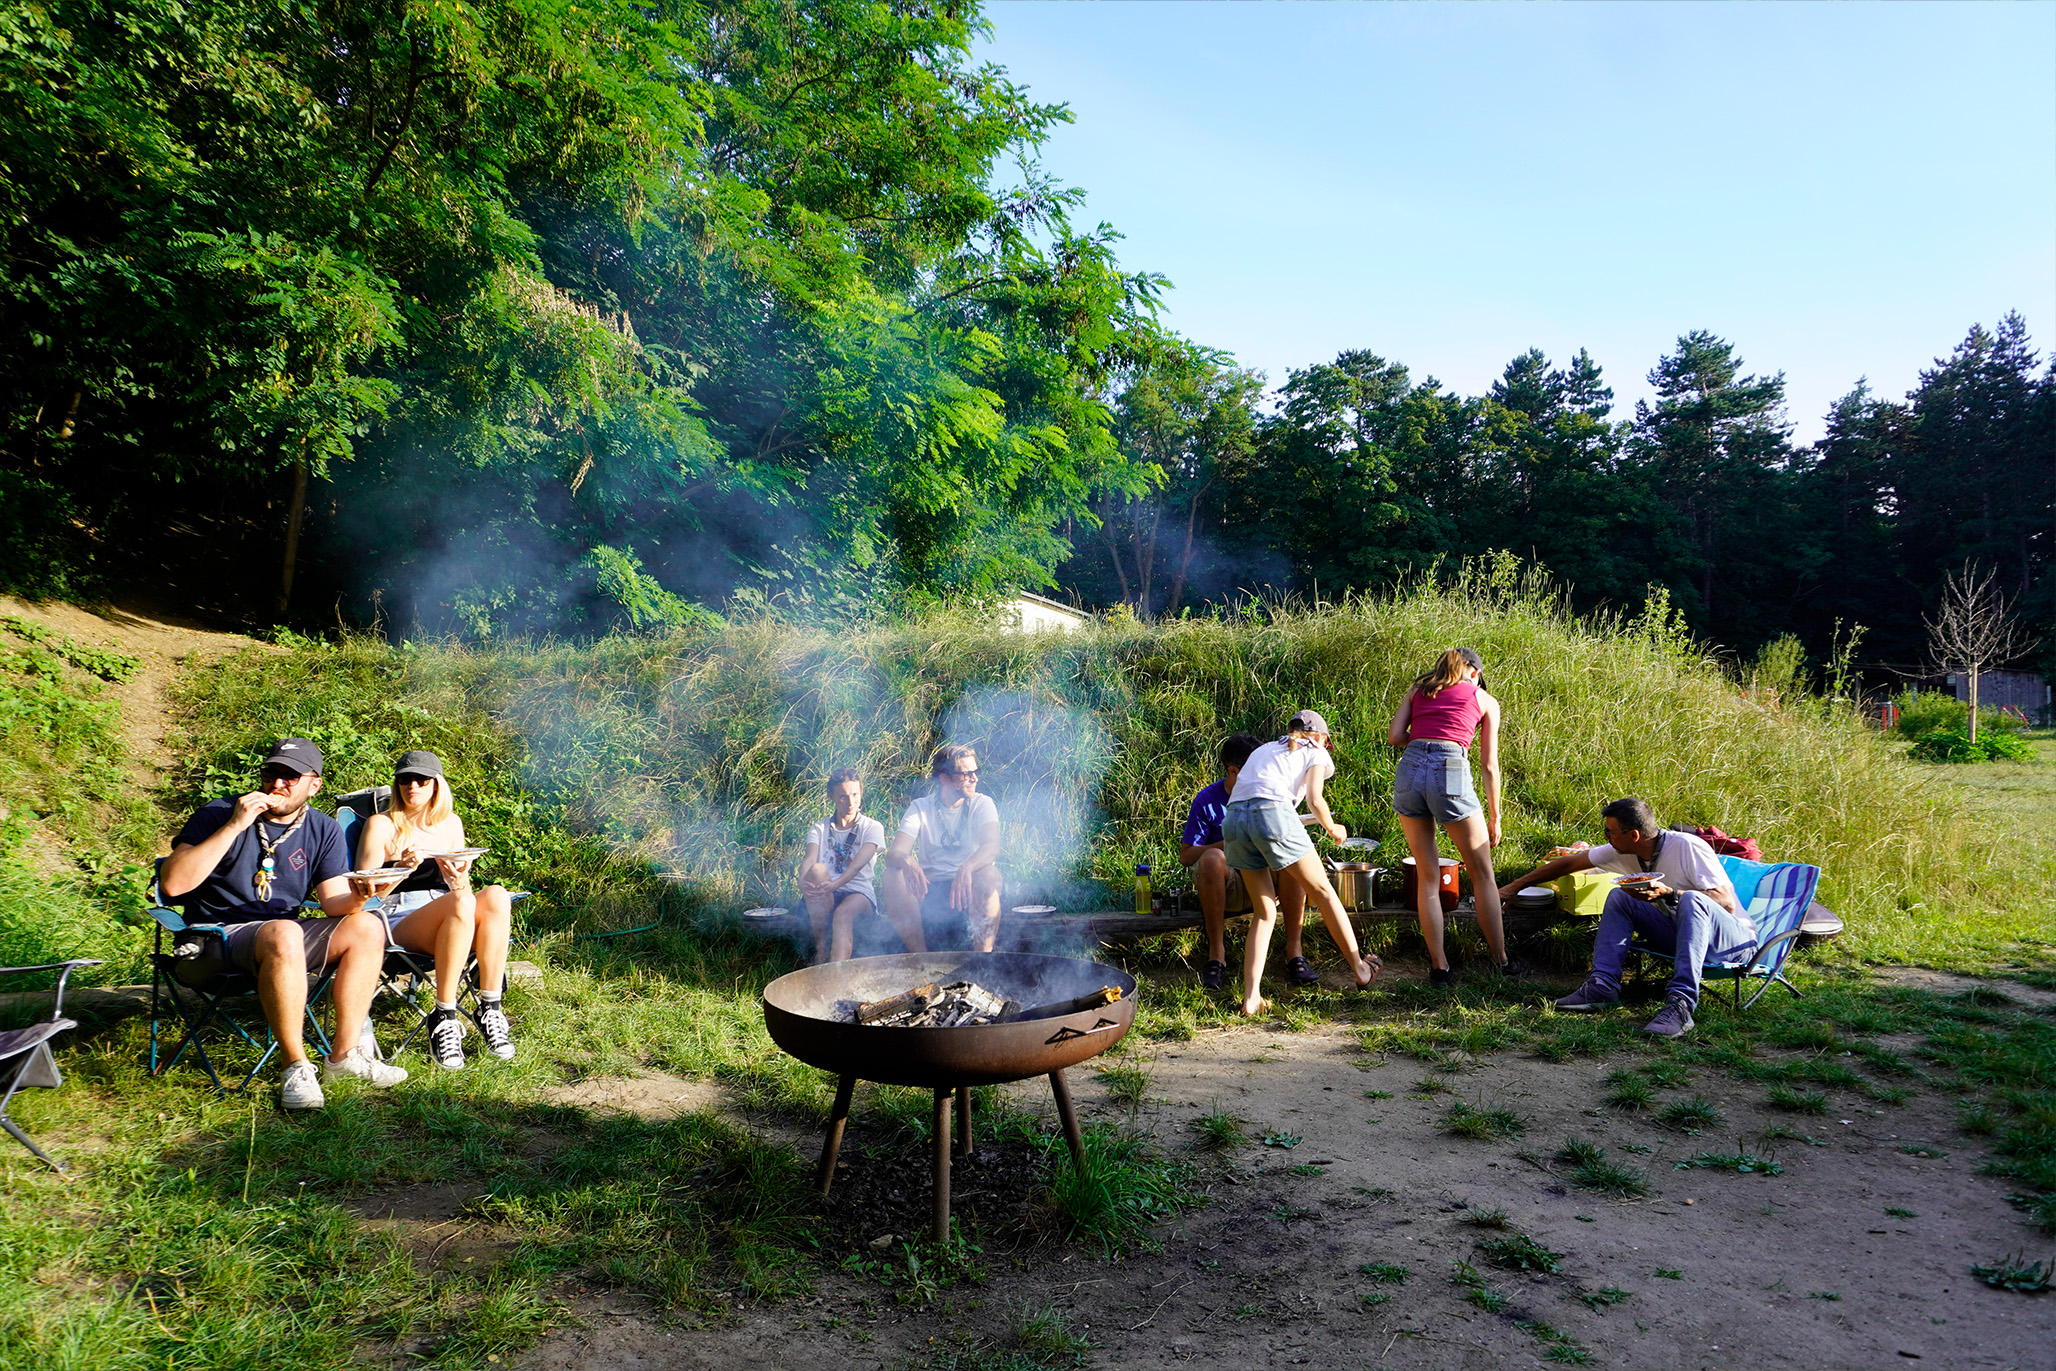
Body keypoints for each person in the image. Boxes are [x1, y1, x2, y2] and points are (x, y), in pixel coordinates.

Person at [159, 738, 405, 1109]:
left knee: (367, 926)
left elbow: (333, 902)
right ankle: (295, 1067)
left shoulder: (323, 828)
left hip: (280, 940)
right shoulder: (219, 812)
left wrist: (364, 895)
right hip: (215, 938)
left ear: (314, 785)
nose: (277, 784)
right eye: (271, 774)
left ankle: (344, 1057)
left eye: (290, 777)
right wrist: (235, 825)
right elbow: (173, 884)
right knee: (285, 930)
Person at [1495, 797, 1751, 1039]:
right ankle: (1602, 986)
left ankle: (1680, 1004)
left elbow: (1725, 902)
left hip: (1732, 946)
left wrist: (1671, 893)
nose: (1605, 838)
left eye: (1609, 832)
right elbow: (1568, 864)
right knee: (1620, 896)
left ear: (1634, 835)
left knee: (1692, 899)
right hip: (1682, 936)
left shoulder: (1687, 846)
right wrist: (1513, 887)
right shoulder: (1622, 852)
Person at [354, 750, 517, 1069]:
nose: (412, 786)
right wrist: (400, 869)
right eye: (405, 780)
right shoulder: (381, 825)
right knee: (461, 902)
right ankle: (444, 1015)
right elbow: (366, 896)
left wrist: (458, 879)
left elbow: (463, 892)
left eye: (421, 779)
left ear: (436, 784)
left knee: (497, 895)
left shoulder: (450, 824)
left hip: (452, 917)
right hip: (396, 917)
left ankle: (490, 1009)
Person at [1223, 710, 1380, 1016]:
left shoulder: (1267, 749)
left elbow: (1254, 793)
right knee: (1324, 892)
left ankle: (1251, 999)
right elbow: (1315, 800)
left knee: (1265, 911)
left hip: (1234, 820)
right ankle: (1361, 969)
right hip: (1271, 814)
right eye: (1327, 741)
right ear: (1319, 737)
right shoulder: (1315, 749)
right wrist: (1333, 828)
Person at [1387, 648, 1526, 985]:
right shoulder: (1484, 699)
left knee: (1427, 875)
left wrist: (1424, 740)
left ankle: (1440, 967)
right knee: (1482, 874)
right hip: (1450, 769)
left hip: (1409, 769)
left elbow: (1395, 737)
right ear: (1474, 673)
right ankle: (1501, 960)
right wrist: (1495, 816)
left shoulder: (1418, 690)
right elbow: (1489, 764)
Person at [1180, 734, 1322, 992]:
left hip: (1267, 883)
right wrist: (1232, 840)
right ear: (1233, 771)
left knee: (1293, 858)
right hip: (1231, 886)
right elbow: (1187, 856)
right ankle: (1216, 955)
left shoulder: (1270, 793)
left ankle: (1294, 953)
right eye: (1253, 769)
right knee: (1212, 859)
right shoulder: (1207, 800)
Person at [880, 745, 1003, 953]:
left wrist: (967, 867)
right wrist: (905, 860)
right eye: (966, 774)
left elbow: (992, 846)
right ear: (945, 779)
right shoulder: (920, 807)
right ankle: (920, 958)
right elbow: (893, 854)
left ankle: (982, 958)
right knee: (892, 875)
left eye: (976, 772)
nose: (975, 779)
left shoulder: (983, 804)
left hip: (971, 888)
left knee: (988, 873)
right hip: (931, 891)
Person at [799, 768, 887, 963]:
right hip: (825, 892)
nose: (850, 802)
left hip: (859, 894)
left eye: (855, 795)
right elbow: (809, 859)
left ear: (861, 792)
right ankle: (821, 947)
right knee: (816, 870)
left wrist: (835, 885)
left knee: (843, 913)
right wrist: (802, 883)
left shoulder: (872, 827)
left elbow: (856, 866)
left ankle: (836, 971)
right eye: (843, 797)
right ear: (831, 796)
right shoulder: (819, 828)